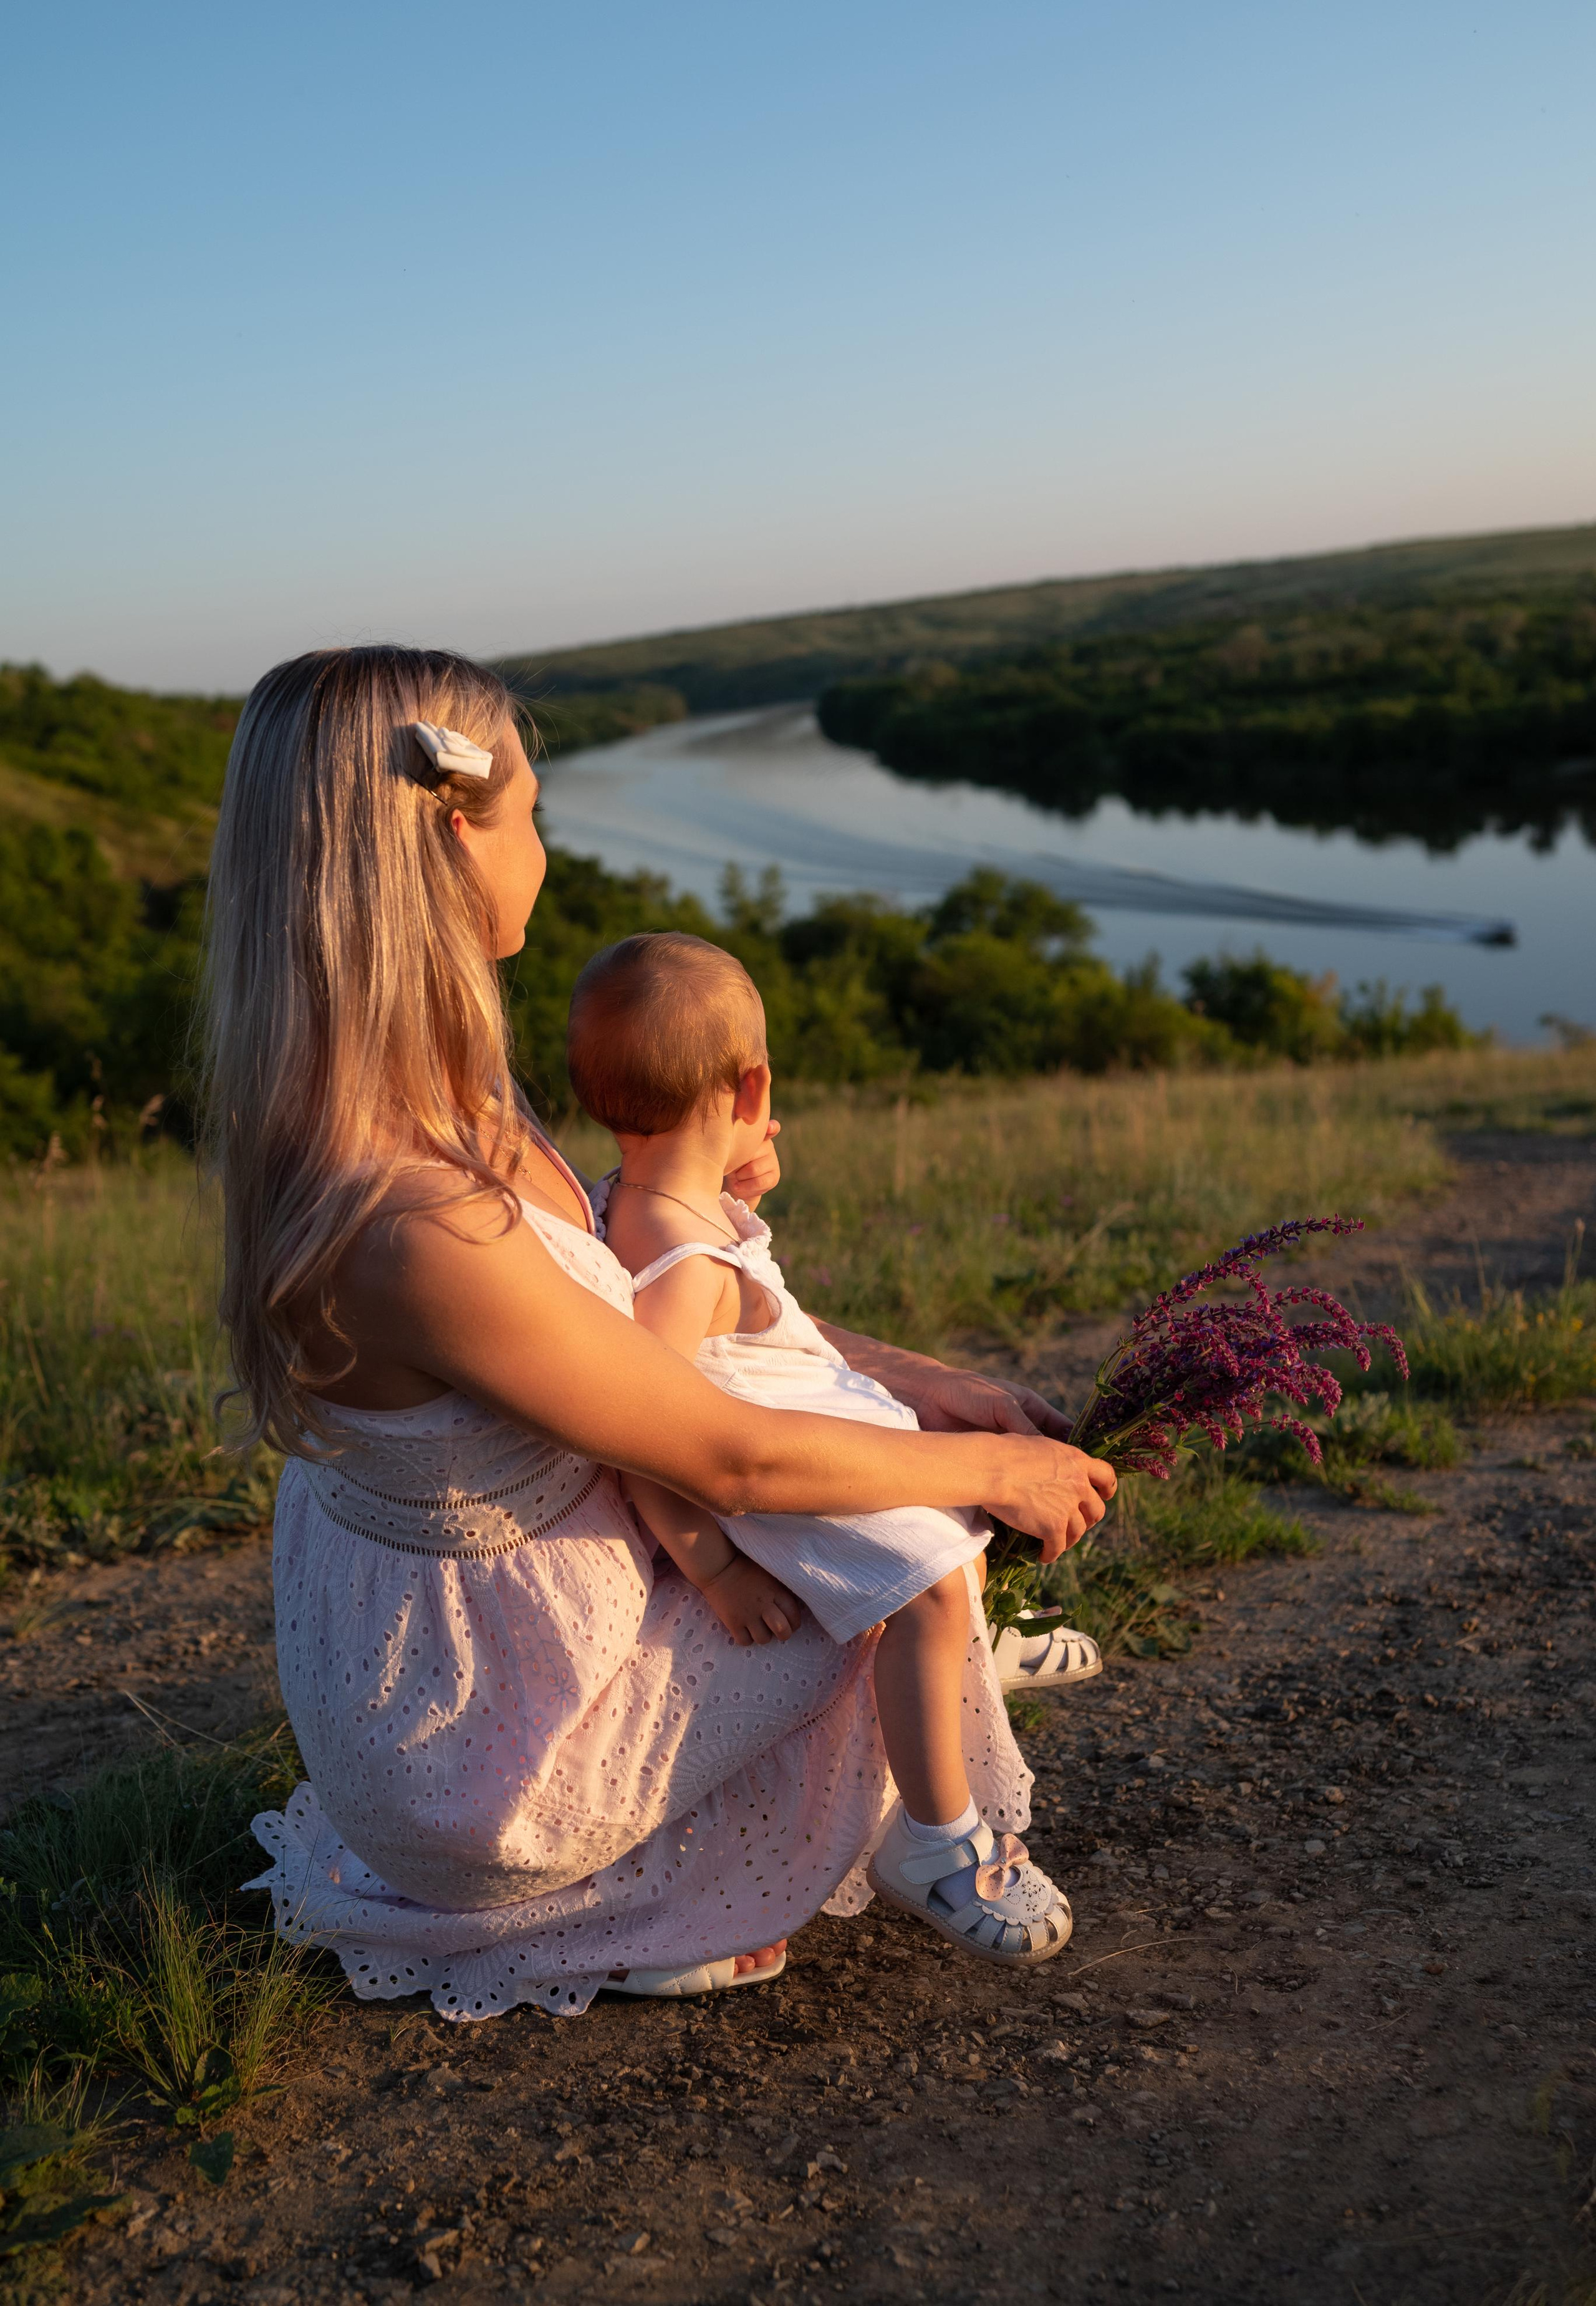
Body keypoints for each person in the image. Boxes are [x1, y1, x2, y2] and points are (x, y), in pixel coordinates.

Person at [208, 645, 1115, 2019]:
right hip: (487, 1757)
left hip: (480, 1637)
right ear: (457, 832)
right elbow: (731, 1457)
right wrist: (995, 1475)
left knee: (875, 1504)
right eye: (533, 818)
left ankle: (938, 1656)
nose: (545, 857)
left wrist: (929, 1384)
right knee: (895, 1561)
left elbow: (634, 1329)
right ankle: (857, 1816)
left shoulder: (427, 1096)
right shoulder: (409, 1216)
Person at [569, 929, 1102, 1898]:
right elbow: (642, 1432)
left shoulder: (651, 1203)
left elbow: (725, 1253)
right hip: (768, 1485)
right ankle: (938, 1840)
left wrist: (733, 1182)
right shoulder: (681, 1269)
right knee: (931, 1582)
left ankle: (972, 1660)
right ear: (753, 1090)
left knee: (949, 1492)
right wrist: (715, 1566)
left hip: (804, 1412)